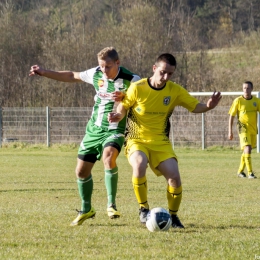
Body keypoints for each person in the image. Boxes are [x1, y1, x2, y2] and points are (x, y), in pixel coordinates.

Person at [108, 53, 222, 228]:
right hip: (136, 139)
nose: (166, 77)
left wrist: (208, 106)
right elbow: (124, 105)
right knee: (139, 164)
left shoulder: (174, 90)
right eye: (162, 72)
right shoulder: (138, 87)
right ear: (154, 68)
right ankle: (144, 209)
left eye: (170, 74)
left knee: (174, 178)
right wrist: (118, 114)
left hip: (160, 142)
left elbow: (195, 107)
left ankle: (174, 217)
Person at [29, 47, 140, 226]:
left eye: (108, 66)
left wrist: (125, 103)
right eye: (101, 66)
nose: (104, 70)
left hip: (114, 130)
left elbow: (145, 96)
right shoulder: (96, 73)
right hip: (93, 131)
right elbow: (72, 76)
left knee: (109, 157)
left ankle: (111, 204)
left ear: (117, 63)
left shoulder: (132, 80)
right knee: (81, 172)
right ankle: (86, 209)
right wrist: (44, 72)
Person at [228, 81, 260, 179]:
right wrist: (230, 131)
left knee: (247, 150)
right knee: (248, 147)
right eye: (244, 88)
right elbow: (231, 116)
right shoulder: (238, 100)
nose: (246, 90)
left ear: (251, 89)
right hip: (242, 127)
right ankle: (250, 173)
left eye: (248, 88)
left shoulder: (256, 101)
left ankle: (240, 171)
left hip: (253, 128)